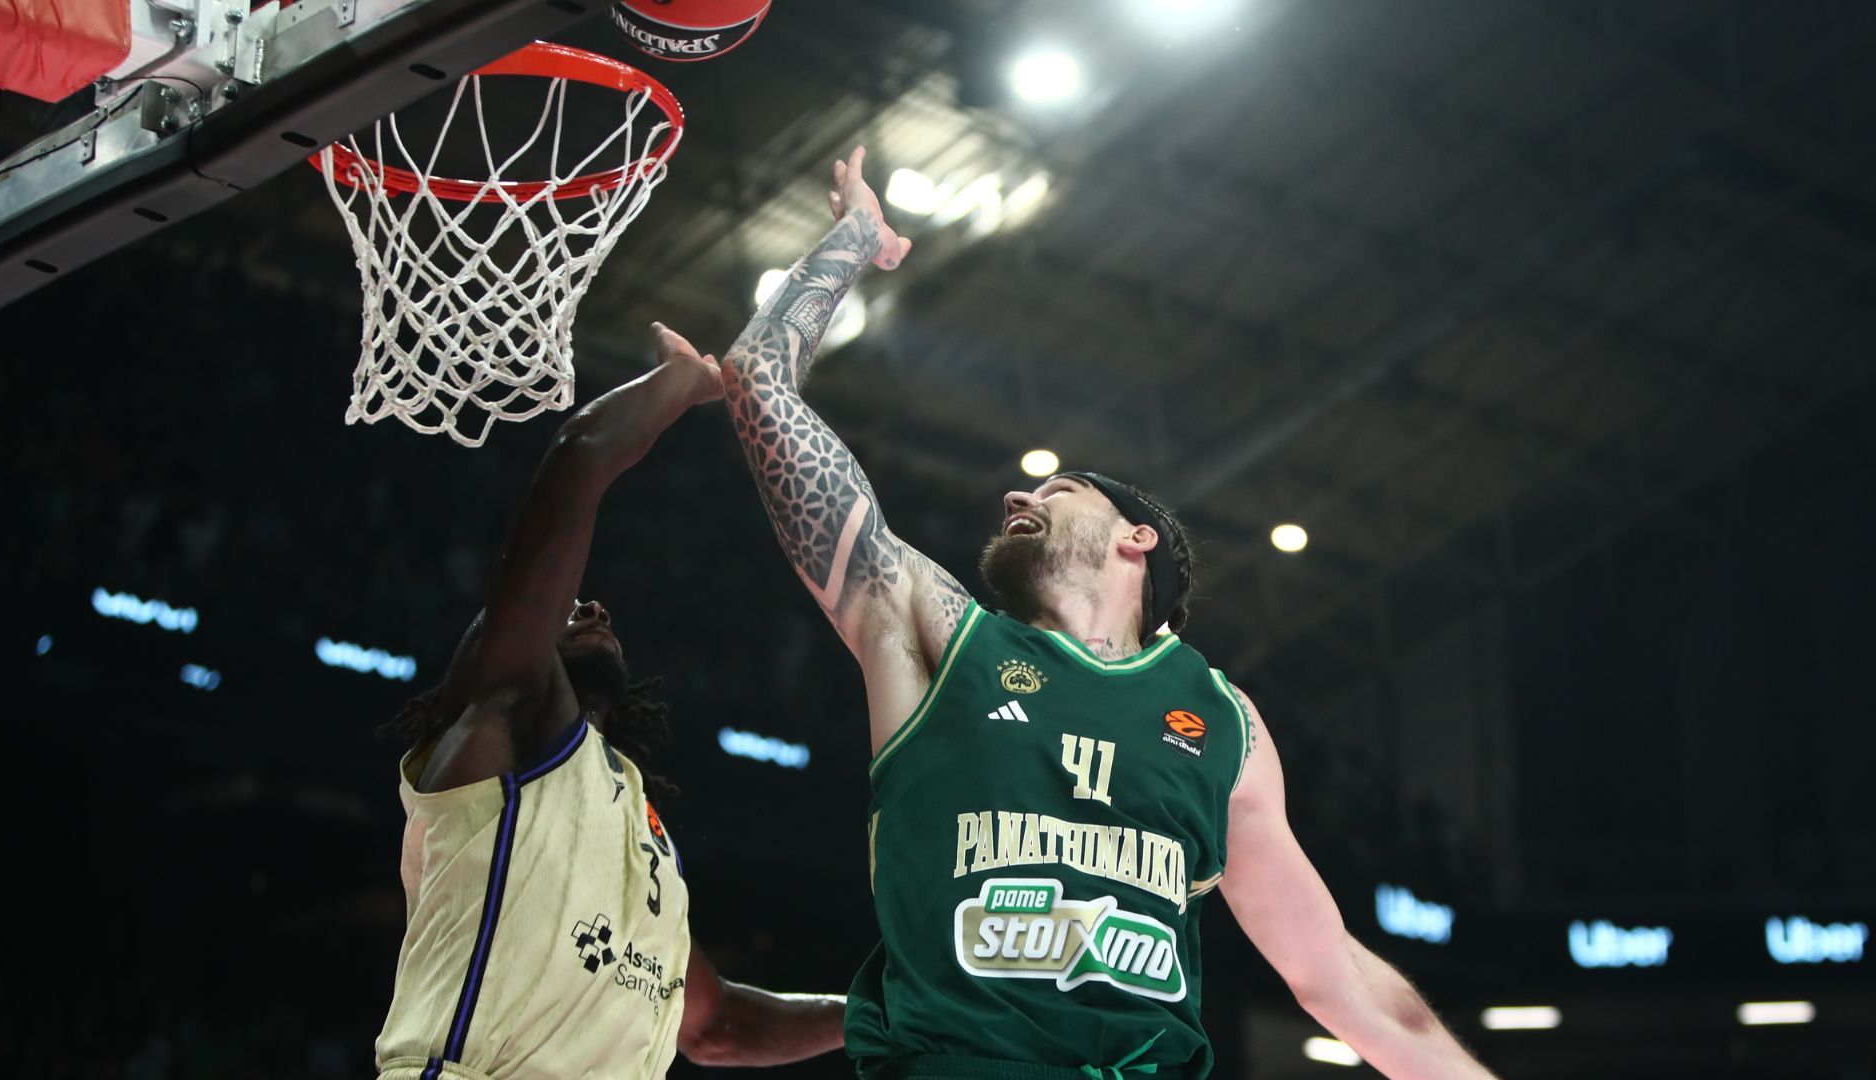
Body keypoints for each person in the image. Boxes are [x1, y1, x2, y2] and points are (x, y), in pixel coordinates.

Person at [715, 147, 1498, 1080]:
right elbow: (757, 377)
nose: (1018, 493)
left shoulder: (1225, 723)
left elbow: (1342, 981)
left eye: (1060, 488)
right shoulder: (935, 631)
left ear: (1138, 539)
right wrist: (853, 238)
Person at [372, 327, 846, 1079]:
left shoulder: (635, 824)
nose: (589, 605)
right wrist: (680, 382)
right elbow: (581, 455)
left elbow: (717, 1026)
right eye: (560, 608)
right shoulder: (502, 720)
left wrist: (875, 1012)